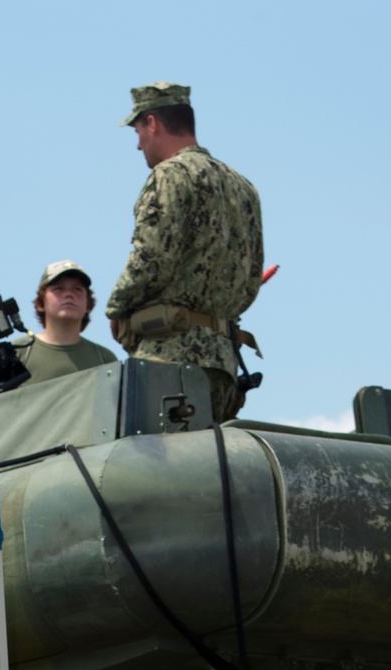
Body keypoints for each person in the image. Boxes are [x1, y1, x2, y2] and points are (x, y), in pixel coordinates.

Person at [106, 84, 263, 423]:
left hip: (168, 361)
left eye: (137, 131)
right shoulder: (243, 187)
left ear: (152, 122)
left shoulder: (169, 176)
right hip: (224, 365)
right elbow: (252, 281)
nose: (137, 144)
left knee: (154, 470)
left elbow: (151, 259)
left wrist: (116, 310)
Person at [13, 262, 118, 385]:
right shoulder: (19, 352)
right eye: (58, 288)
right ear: (41, 303)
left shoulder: (104, 359)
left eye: (77, 289)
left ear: (88, 305)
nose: (69, 294)